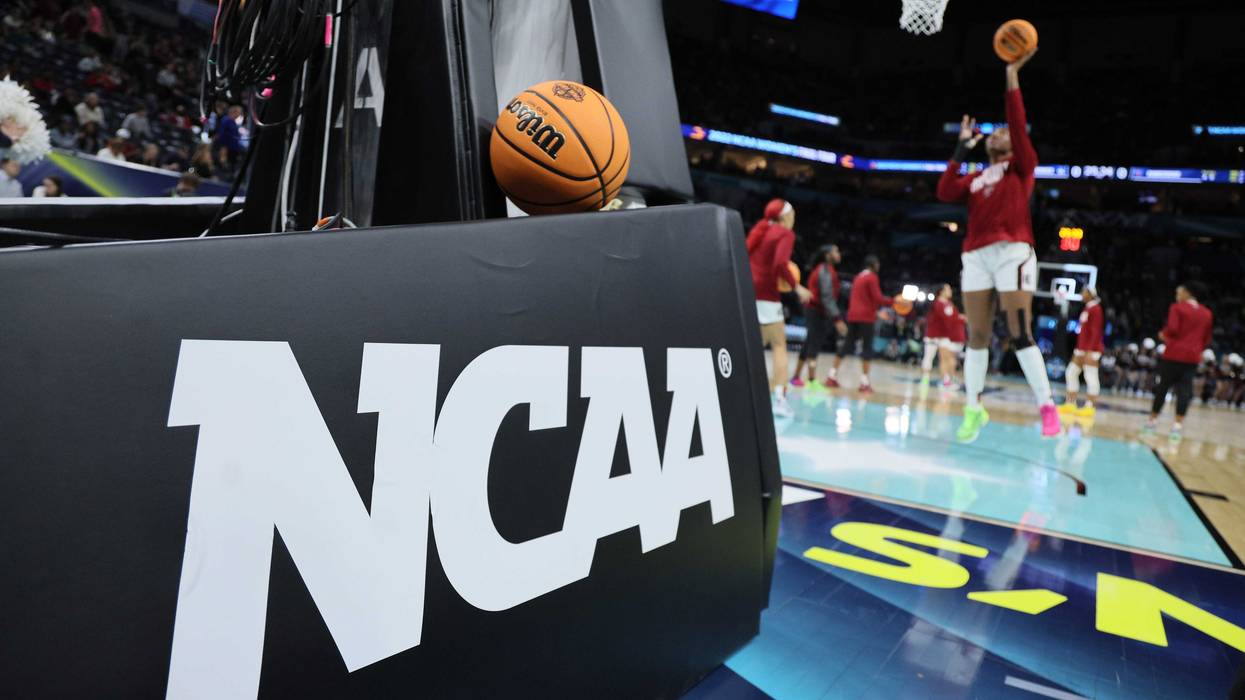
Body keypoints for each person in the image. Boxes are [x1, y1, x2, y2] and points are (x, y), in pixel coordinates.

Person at [936, 47, 1059, 442]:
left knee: (1018, 330)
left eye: (1002, 132)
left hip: (1012, 251)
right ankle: (973, 407)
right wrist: (960, 149)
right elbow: (943, 191)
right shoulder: (976, 177)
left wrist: (1011, 77)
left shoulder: (1020, 166)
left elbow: (1017, 124)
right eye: (995, 133)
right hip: (976, 254)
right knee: (976, 335)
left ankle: (1046, 405)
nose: (999, 133)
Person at [748, 198, 812, 417]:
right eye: (792, 213)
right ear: (785, 216)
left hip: (747, 291)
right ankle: (779, 399)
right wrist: (797, 287)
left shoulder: (760, 229)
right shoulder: (785, 234)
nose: (794, 217)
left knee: (752, 346)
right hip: (767, 294)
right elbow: (779, 264)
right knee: (779, 346)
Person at [1144, 282, 1213, 442]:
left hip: (1174, 354)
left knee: (1163, 387)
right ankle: (1177, 426)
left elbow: (1173, 329)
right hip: (1193, 357)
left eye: (1179, 292)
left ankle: (1153, 421)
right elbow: (1207, 338)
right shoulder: (1207, 313)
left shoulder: (1177, 308)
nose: (1177, 295)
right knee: (1185, 391)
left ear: (1187, 293)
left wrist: (1163, 334)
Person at [826, 254, 895, 394]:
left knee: (847, 345)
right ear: (874, 265)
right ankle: (864, 382)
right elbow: (877, 298)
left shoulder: (858, 277)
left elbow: (863, 300)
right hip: (866, 318)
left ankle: (831, 376)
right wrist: (895, 302)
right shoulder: (872, 277)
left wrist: (876, 311)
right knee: (867, 348)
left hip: (853, 315)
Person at [791, 244, 846, 387]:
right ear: (827, 255)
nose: (838, 254)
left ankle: (796, 377)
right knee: (813, 345)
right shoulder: (824, 270)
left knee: (809, 343)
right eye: (836, 251)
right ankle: (811, 381)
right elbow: (827, 297)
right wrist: (837, 318)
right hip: (817, 311)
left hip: (814, 310)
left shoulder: (825, 269)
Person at [1061, 287, 1105, 418]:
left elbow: (1096, 332)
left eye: (1084, 292)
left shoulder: (1096, 309)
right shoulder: (1087, 308)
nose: (1081, 294)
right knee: (1071, 373)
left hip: (1091, 350)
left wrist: (1090, 350)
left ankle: (1089, 407)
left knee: (1091, 376)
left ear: (1091, 294)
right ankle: (1070, 403)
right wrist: (1079, 348)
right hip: (1081, 349)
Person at [921, 284, 965, 391]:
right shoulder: (937, 303)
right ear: (941, 291)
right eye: (948, 289)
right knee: (930, 357)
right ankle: (925, 379)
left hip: (946, 337)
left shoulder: (949, 304)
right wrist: (960, 319)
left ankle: (948, 380)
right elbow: (946, 319)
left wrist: (959, 319)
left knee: (947, 359)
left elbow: (952, 318)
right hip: (934, 336)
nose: (950, 290)